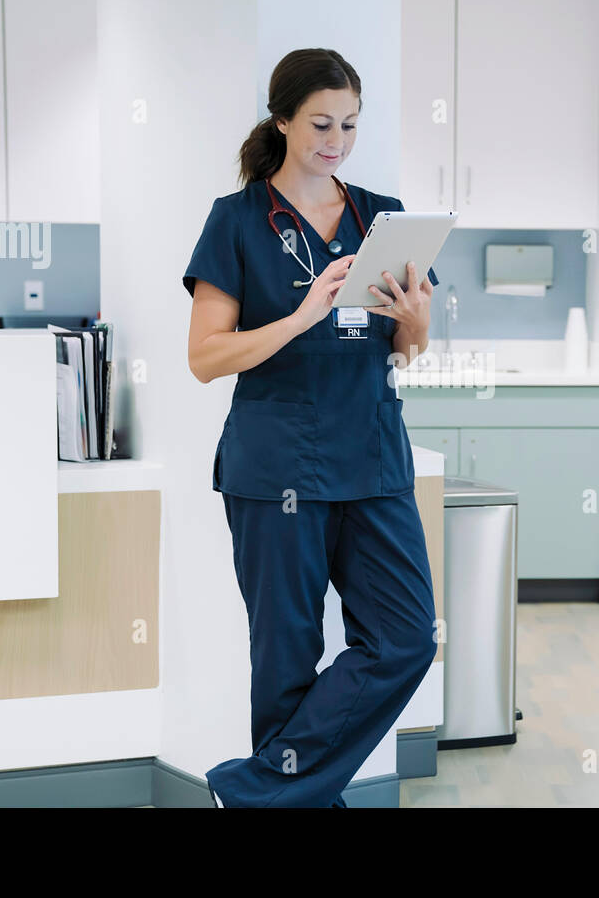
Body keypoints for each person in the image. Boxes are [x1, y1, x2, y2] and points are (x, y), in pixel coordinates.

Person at [183, 48, 441, 807]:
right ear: (283, 119)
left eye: (351, 125)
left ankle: (251, 792)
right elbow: (204, 356)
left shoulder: (380, 218)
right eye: (322, 123)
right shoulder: (236, 222)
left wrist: (416, 324)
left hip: (372, 456)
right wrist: (300, 317)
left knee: (405, 636)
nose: (337, 140)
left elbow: (407, 347)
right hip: (276, 467)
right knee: (287, 660)